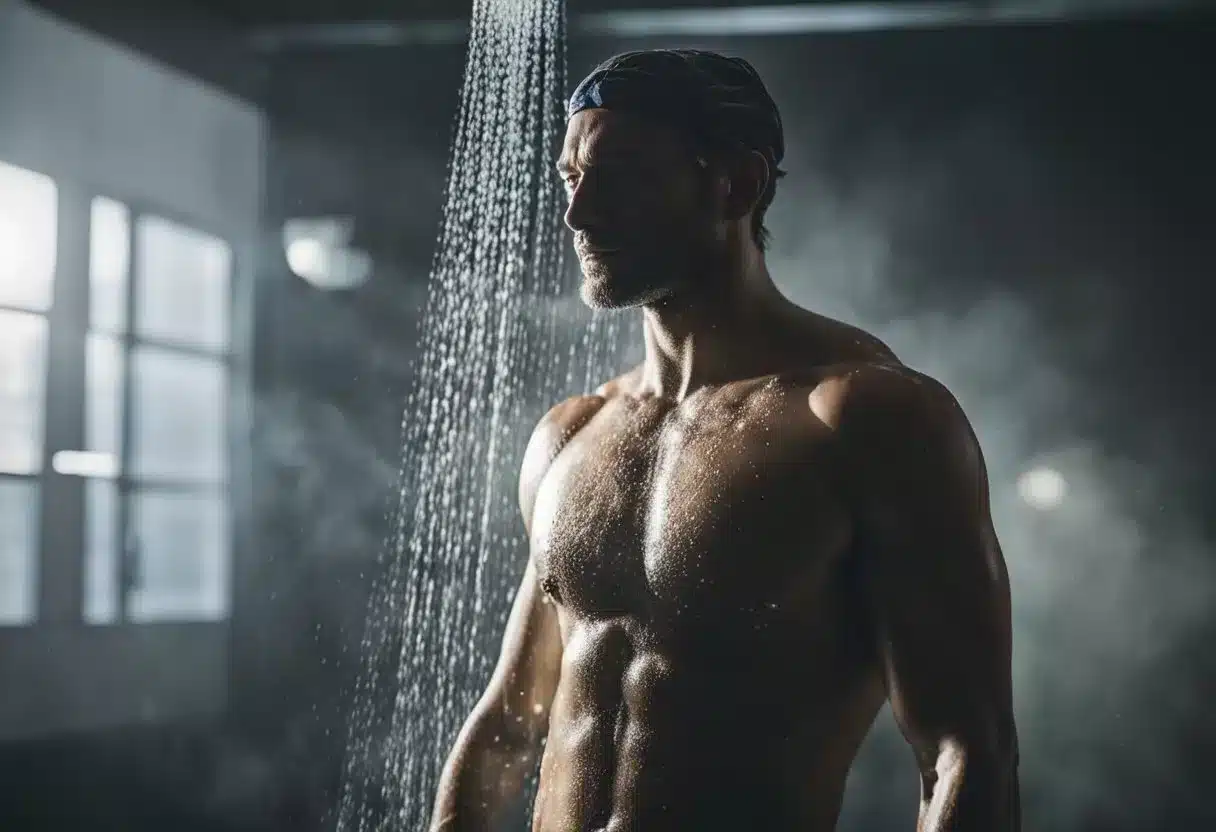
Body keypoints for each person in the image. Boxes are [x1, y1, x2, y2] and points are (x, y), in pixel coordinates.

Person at [429, 49, 1020, 831]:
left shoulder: (863, 418)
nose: (580, 215)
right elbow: (508, 724)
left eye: (622, 176)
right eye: (573, 178)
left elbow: (964, 750)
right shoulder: (570, 435)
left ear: (736, 184)